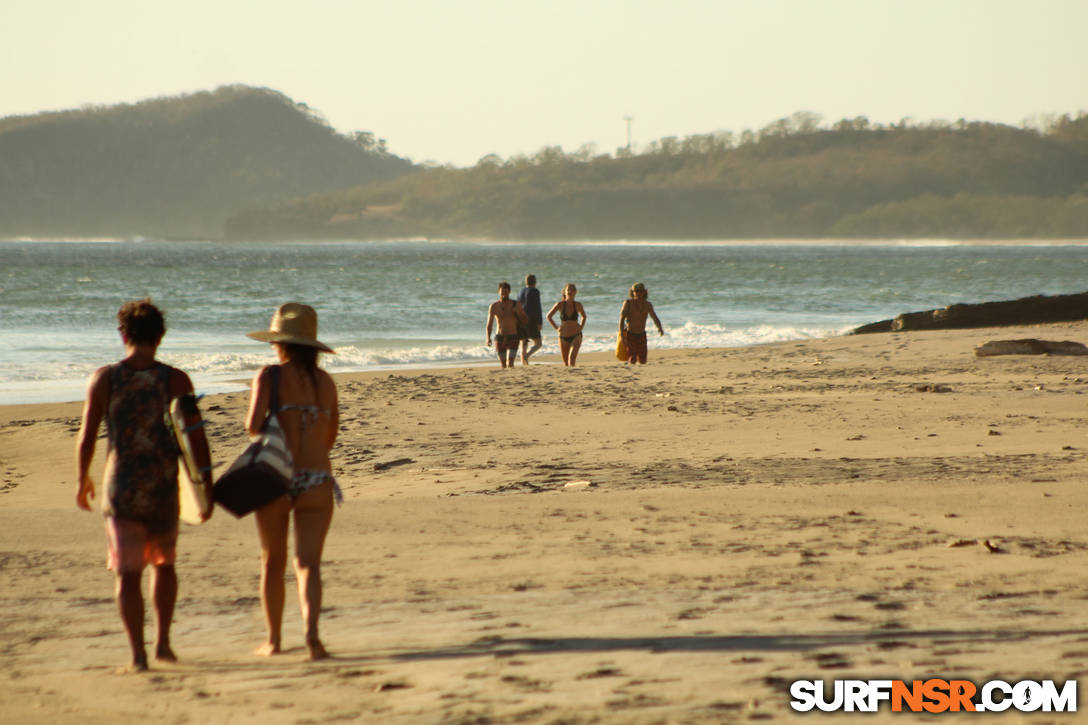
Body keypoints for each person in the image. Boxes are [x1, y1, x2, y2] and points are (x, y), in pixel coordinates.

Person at [75, 298, 212, 671]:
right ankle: (163, 644)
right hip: (164, 486)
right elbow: (195, 437)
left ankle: (137, 653)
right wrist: (205, 483)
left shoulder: (104, 378)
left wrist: (82, 478)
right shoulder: (175, 379)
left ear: (122, 334)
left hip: (121, 489)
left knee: (127, 571)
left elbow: (87, 436)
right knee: (164, 566)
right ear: (161, 336)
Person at [245, 303, 340, 660]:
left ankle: (273, 641)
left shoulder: (268, 376)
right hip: (317, 477)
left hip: (277, 477)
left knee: (272, 560)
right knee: (309, 563)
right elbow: (329, 436)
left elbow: (254, 426)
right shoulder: (325, 382)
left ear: (280, 342)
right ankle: (312, 637)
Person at [619, 282, 664, 364]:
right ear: (632, 293)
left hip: (642, 334)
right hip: (630, 334)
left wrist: (660, 328)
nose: (638, 293)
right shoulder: (628, 303)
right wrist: (622, 335)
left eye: (641, 291)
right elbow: (621, 319)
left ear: (644, 292)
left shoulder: (648, 305)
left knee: (643, 360)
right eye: (636, 291)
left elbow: (654, 317)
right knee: (632, 358)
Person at [486, 281, 527, 368]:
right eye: (502, 292)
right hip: (500, 337)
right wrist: (488, 338)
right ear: (498, 292)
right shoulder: (494, 306)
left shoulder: (516, 304)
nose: (504, 294)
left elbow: (525, 320)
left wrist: (518, 312)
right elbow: (489, 324)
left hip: (513, 336)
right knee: (503, 364)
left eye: (506, 291)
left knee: (511, 363)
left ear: (509, 292)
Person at [546, 282, 587, 367]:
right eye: (568, 290)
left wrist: (581, 327)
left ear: (575, 292)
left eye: (572, 290)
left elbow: (584, 316)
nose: (570, 292)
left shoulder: (578, 305)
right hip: (563, 337)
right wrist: (556, 328)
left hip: (576, 335)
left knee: (571, 360)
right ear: (564, 292)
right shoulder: (560, 305)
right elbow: (549, 316)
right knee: (565, 363)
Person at [517, 274, 543, 365]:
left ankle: (523, 363)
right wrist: (539, 322)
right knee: (538, 343)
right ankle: (527, 355)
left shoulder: (521, 292)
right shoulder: (535, 291)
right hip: (532, 320)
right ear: (535, 282)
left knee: (523, 342)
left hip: (521, 320)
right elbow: (537, 307)